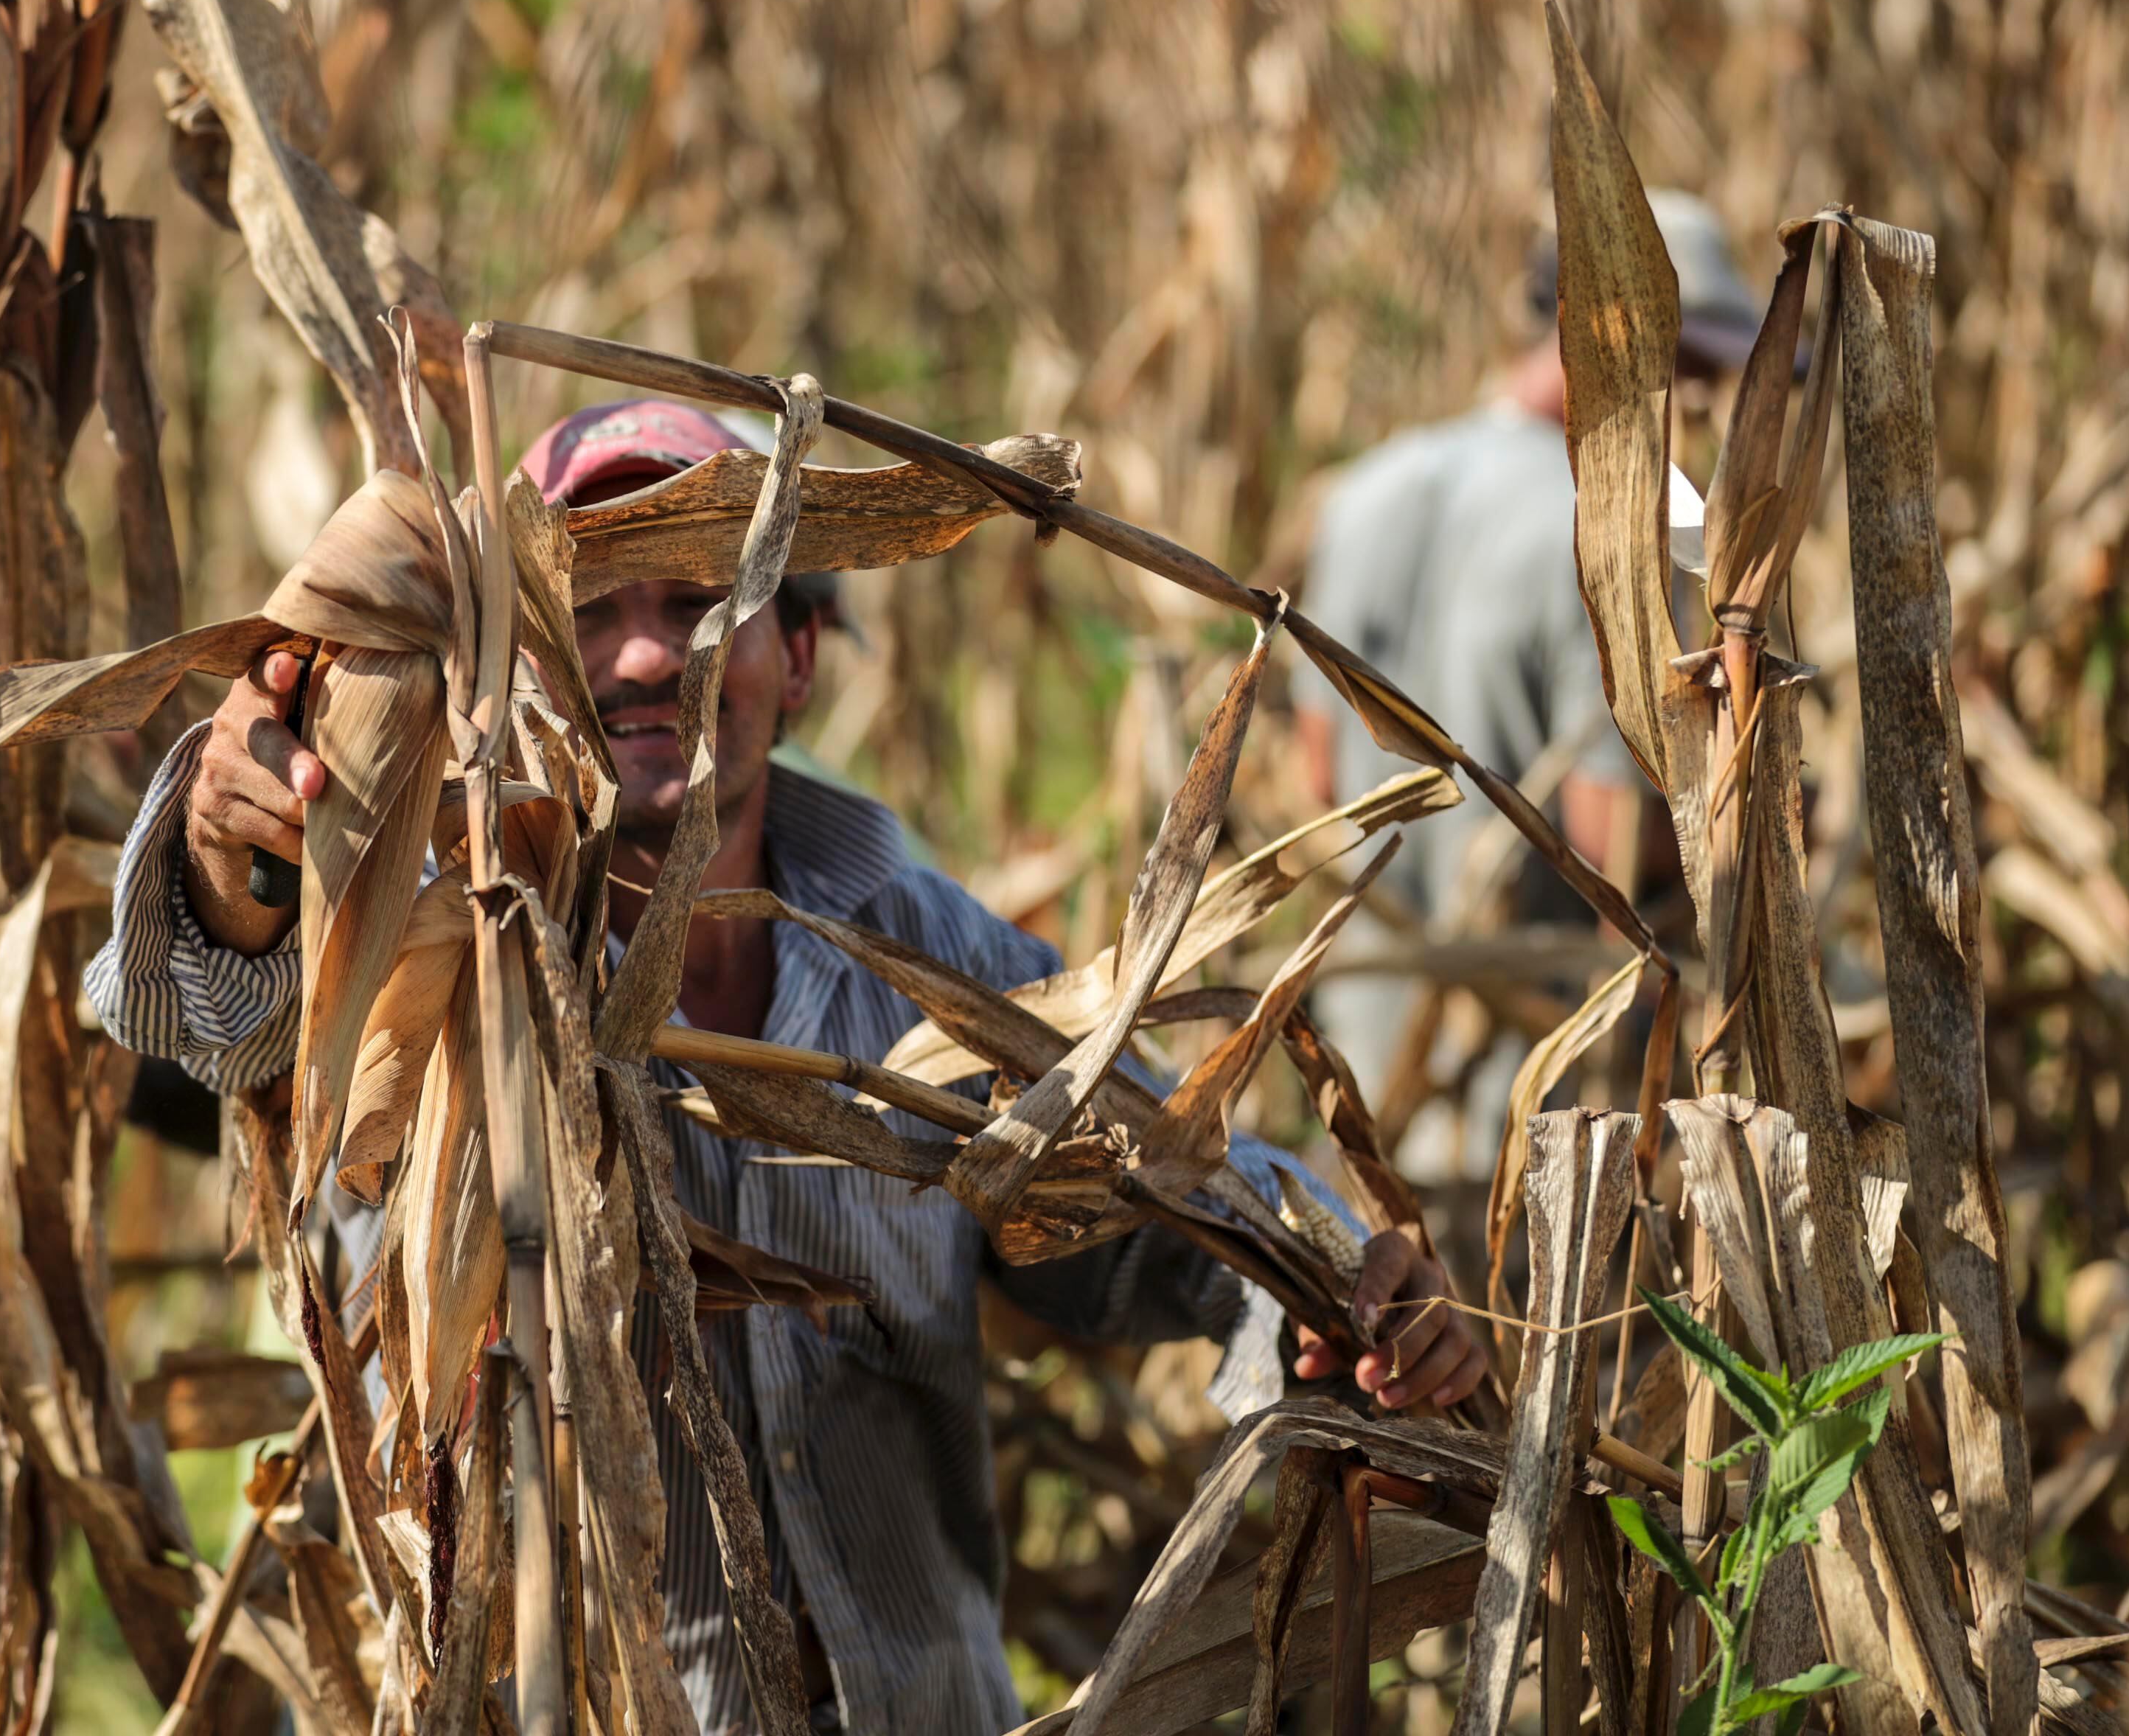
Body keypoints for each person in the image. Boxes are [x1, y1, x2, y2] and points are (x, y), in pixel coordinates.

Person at [87, 399, 1489, 1736]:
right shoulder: (420, 957)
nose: (647, 658)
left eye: (704, 598)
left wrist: (1329, 1285)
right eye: (591, 607)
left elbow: (1153, 1196)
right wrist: (237, 864)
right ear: (510, 670)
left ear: (798, 660)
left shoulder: (920, 952)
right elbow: (205, 1019)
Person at [1291, 189, 1764, 1185]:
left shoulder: (1364, 493)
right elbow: (1613, 866)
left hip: (1363, 1088)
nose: (1707, 408)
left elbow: (1316, 777)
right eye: (1698, 373)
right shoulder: (1600, 532)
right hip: (1529, 1118)